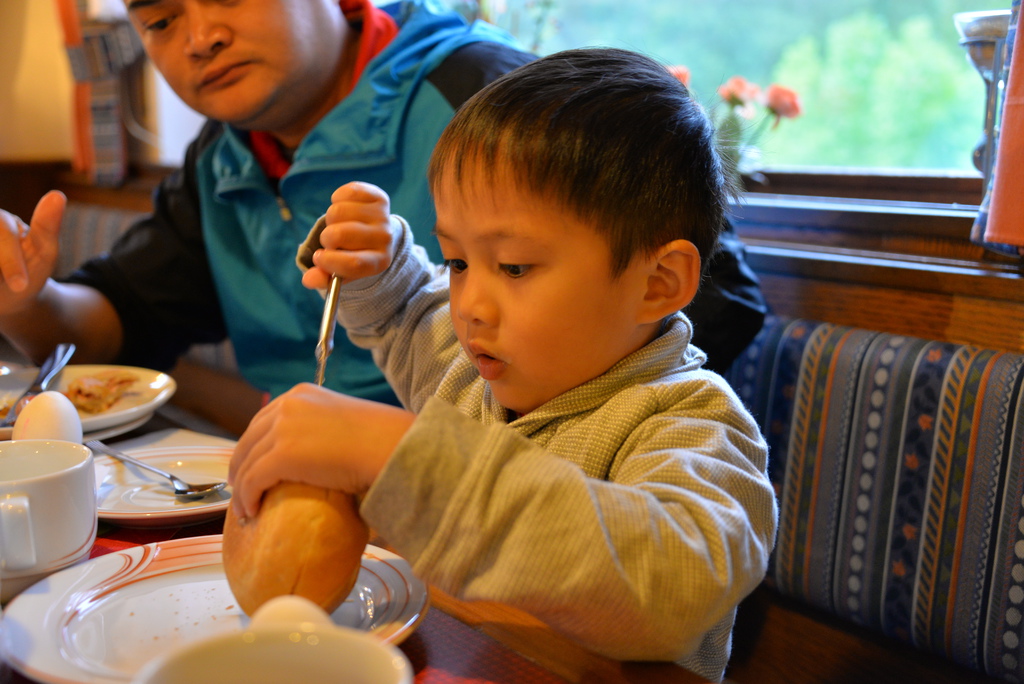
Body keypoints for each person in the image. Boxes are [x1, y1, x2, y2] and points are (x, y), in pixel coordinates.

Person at [228, 48, 778, 681]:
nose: (469, 306)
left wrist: (402, 456)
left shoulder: (693, 426)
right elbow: (406, 312)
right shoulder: (473, 368)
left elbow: (673, 586)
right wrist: (374, 264)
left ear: (657, 283)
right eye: (458, 262)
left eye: (514, 267)